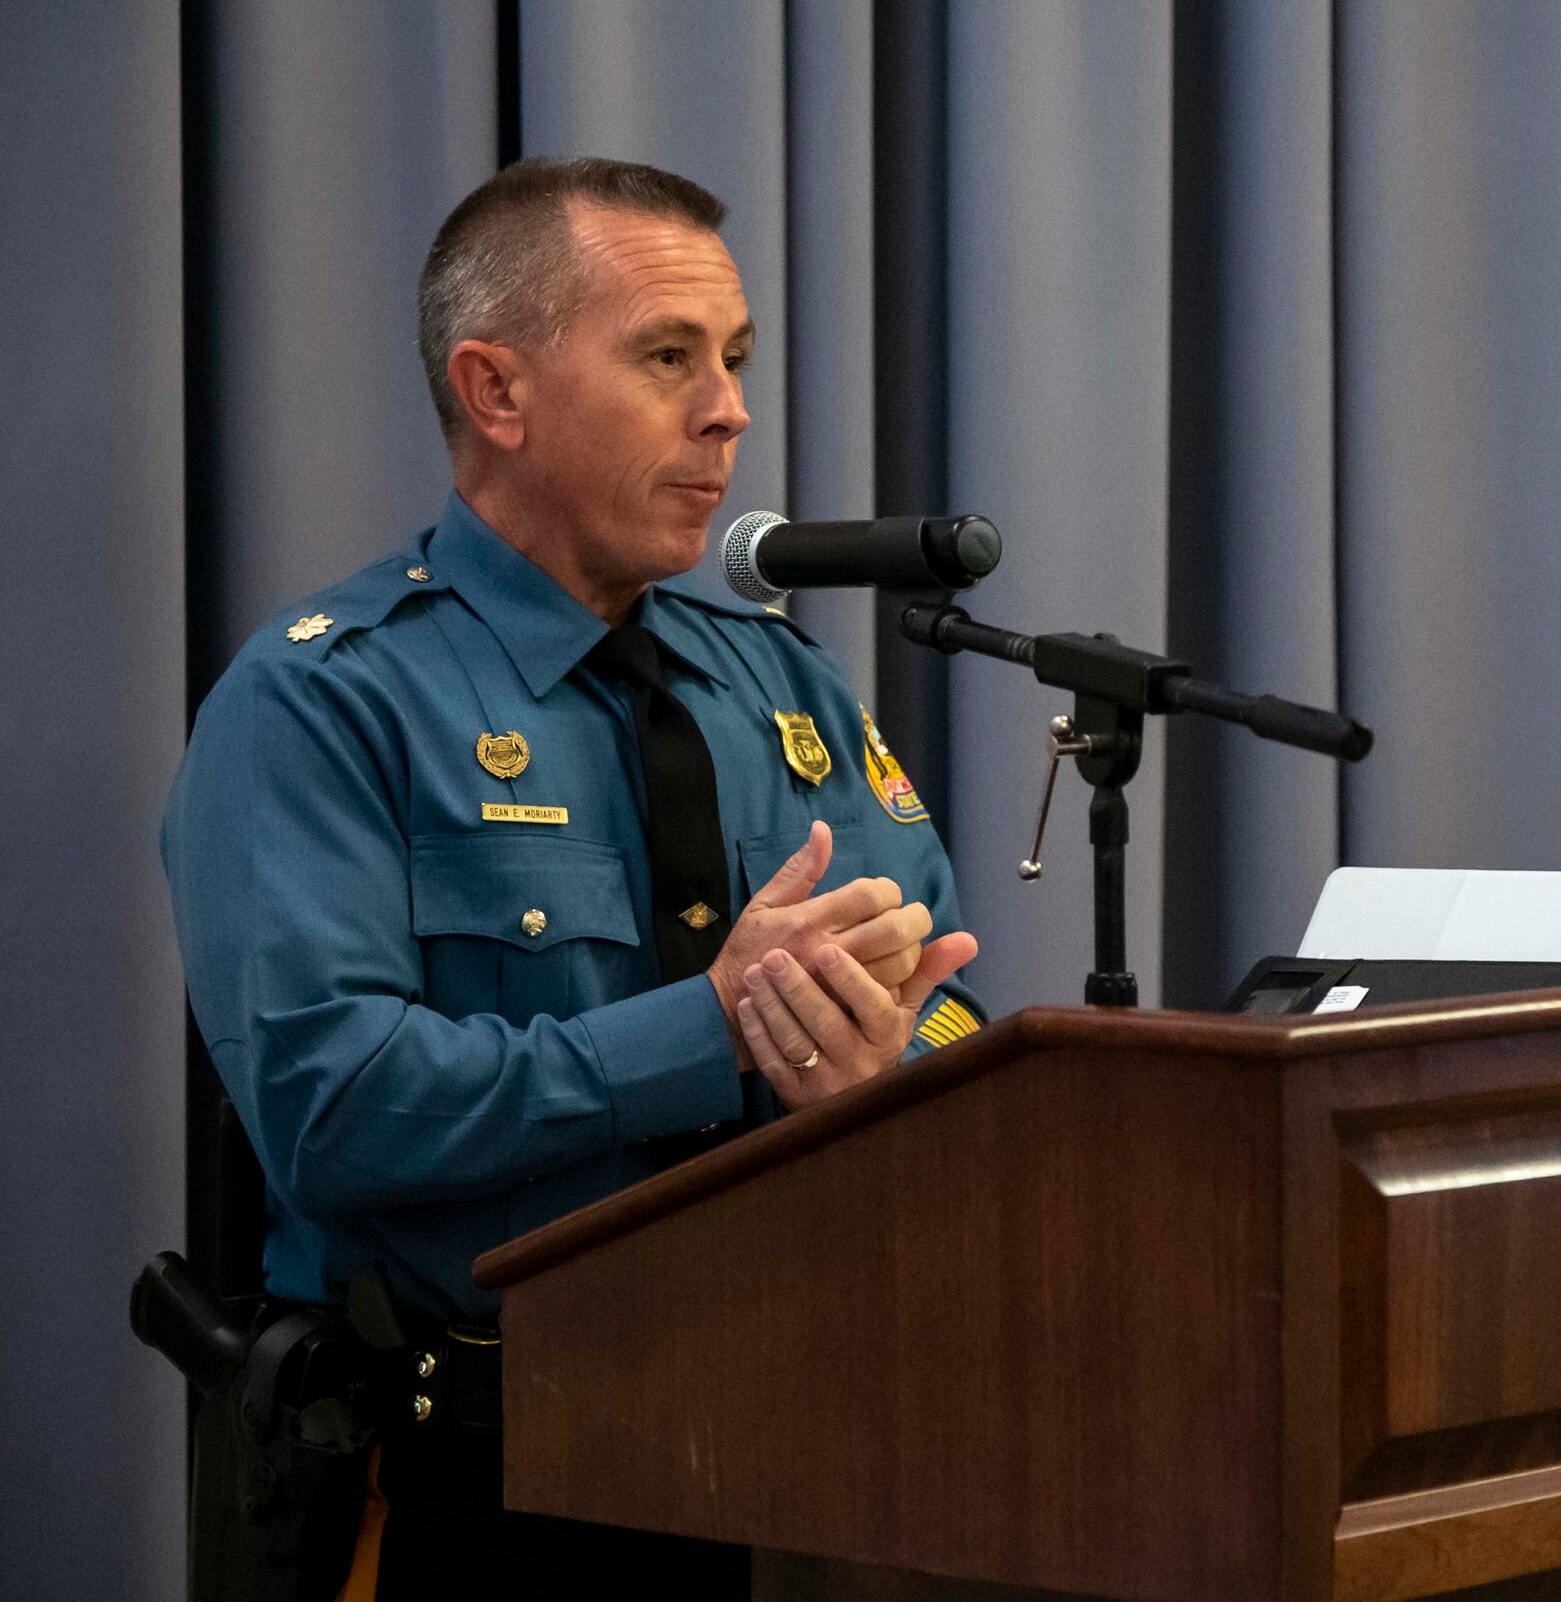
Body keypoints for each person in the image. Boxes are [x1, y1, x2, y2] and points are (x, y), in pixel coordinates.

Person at [162, 156, 983, 1600]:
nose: (727, 407)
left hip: (809, 1448)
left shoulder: (780, 682)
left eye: (732, 359)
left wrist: (885, 1077)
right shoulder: (326, 703)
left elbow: (951, 1002)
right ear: (497, 392)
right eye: (667, 356)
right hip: (476, 1475)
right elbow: (331, 1102)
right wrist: (710, 1030)